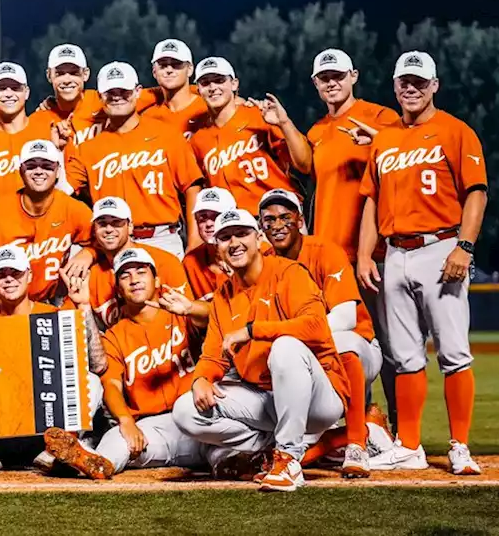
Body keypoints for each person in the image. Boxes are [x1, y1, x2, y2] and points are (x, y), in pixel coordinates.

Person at [358, 51, 485, 476]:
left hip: (440, 248)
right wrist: (364, 254)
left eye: (419, 82)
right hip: (395, 252)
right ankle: (408, 445)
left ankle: (460, 446)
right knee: (404, 357)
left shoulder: (455, 130)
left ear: (434, 85)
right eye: (404, 82)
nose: (410, 89)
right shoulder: (384, 138)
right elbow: (372, 200)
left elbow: (476, 192)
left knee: (453, 352)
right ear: (395, 86)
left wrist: (464, 247)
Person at [172, 209, 349, 492]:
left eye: (242, 234)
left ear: (258, 237)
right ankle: (270, 450)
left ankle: (289, 457)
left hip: (319, 399)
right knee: (185, 411)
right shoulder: (223, 296)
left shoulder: (288, 272)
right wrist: (202, 378)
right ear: (217, 247)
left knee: (285, 347)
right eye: (225, 237)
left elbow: (318, 328)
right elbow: (212, 356)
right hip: (265, 398)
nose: (234, 243)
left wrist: (254, 330)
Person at [42, 247, 208, 479]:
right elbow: (111, 384)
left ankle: (234, 461)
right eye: (125, 275)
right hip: (154, 430)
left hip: (199, 419)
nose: (134, 280)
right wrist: (126, 420)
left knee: (230, 442)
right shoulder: (115, 335)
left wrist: (189, 308)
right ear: (118, 289)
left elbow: (215, 317)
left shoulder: (182, 314)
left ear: (157, 279)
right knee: (116, 440)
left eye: (141, 272)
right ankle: (86, 462)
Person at [257, 188, 388, 478]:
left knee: (341, 342)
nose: (277, 226)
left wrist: (292, 335)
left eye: (284, 217)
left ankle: (357, 444)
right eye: (268, 220)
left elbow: (346, 317)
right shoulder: (263, 260)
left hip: (357, 348)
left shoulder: (324, 251)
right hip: (307, 352)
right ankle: (361, 429)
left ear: (300, 220)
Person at [303, 48, 401, 428]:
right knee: (345, 345)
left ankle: (401, 432)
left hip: (372, 254)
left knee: (392, 346)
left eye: (338, 75)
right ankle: (363, 426)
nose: (332, 82)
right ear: (315, 83)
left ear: (354, 76)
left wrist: (376, 139)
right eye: (324, 77)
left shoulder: (381, 117)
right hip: (330, 258)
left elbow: (410, 155)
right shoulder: (316, 132)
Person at [65, 61, 205, 258]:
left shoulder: (166, 134)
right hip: (112, 243)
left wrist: (195, 240)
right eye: (110, 92)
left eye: (124, 91)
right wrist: (57, 149)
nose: (117, 97)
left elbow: (191, 186)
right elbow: (60, 193)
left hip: (163, 239)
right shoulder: (88, 148)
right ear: (100, 96)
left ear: (138, 91)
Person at [0, 140, 92, 318]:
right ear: (20, 170)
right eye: (31, 166)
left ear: (58, 171)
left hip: (40, 304)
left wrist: (89, 253)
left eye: (47, 166)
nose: (39, 171)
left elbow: (105, 242)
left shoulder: (73, 209)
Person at [189, 57, 309, 213]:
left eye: (219, 80)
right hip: (234, 225)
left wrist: (284, 123)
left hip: (279, 215)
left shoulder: (260, 116)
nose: (212, 87)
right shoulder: (198, 140)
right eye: (205, 83)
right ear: (198, 90)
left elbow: (305, 164)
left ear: (234, 84)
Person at [0, 63, 72, 203]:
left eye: (16, 88)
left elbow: (67, 190)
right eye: (1, 88)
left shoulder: (49, 129)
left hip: (44, 222)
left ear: (27, 92)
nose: (9, 94)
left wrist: (59, 151)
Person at [137, 39, 208, 140]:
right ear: (154, 72)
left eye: (176, 64)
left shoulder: (207, 109)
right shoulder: (146, 117)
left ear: (190, 69)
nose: (169, 70)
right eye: (163, 65)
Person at [36, 43, 105, 144]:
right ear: (49, 75)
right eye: (60, 74)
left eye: (74, 73)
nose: (67, 80)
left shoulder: (102, 102)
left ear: (85, 74)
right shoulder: (40, 119)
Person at [181, 187, 238, 301]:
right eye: (202, 217)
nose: (208, 223)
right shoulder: (190, 262)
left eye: (216, 216)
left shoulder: (255, 253)